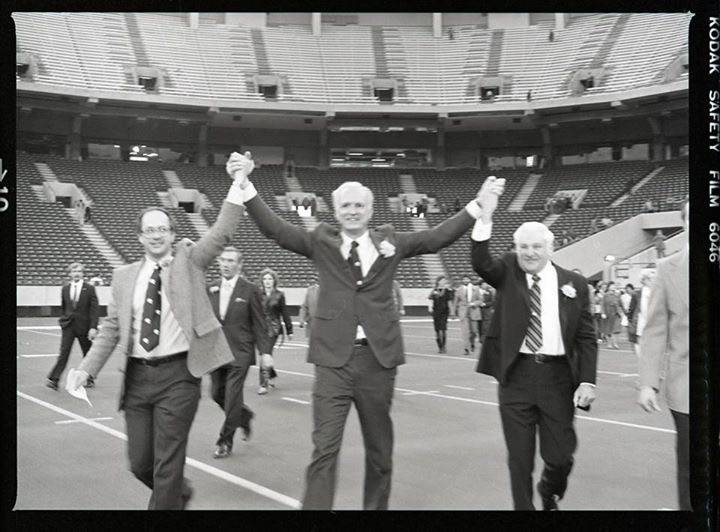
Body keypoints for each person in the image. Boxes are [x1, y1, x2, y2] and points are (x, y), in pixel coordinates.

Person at [226, 153, 487, 510]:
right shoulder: (320, 240)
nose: (352, 210)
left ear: (370, 209)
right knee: (324, 450)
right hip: (333, 363)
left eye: (359, 205)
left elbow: (435, 238)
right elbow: (276, 230)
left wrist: (477, 206)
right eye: (345, 205)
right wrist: (245, 186)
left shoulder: (390, 241)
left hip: (377, 363)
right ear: (335, 211)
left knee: (380, 453)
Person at [66, 151, 255, 510]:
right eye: (150, 230)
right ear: (139, 236)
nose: (157, 235)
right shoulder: (122, 278)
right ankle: (179, 495)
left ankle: (168, 497)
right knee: (141, 463)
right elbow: (110, 329)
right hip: (137, 379)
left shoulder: (189, 260)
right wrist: (85, 369)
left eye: (163, 229)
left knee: (167, 464)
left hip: (179, 376)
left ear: (172, 234)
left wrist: (239, 184)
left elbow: (222, 232)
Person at [471, 176, 597, 511]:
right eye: (523, 247)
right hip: (516, 378)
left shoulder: (575, 284)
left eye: (536, 246)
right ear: (516, 249)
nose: (529, 253)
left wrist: (587, 380)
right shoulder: (508, 272)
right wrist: (486, 216)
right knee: (519, 460)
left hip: (558, 378)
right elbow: (481, 263)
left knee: (560, 455)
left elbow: (586, 336)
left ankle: (549, 487)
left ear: (551, 248)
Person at [637, 199, 689, 511]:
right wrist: (647, 383)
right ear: (684, 224)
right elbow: (655, 330)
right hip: (687, 389)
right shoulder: (667, 270)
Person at [207, 246, 271, 459]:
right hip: (216, 352)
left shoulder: (250, 289)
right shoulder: (211, 288)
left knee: (233, 396)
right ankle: (244, 416)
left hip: (240, 352)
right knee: (217, 394)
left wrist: (265, 352)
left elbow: (260, 323)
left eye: (231, 261)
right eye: (223, 260)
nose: (226, 264)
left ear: (239, 265)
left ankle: (225, 441)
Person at [46, 262, 99, 390]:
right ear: (70, 273)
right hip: (68, 326)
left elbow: (94, 310)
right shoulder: (65, 289)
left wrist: (93, 327)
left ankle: (89, 378)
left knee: (88, 353)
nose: (77, 274)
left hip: (84, 327)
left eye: (79, 271)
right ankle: (54, 379)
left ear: (82, 274)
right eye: (74, 271)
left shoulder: (90, 289)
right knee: (63, 353)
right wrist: (62, 321)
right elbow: (64, 308)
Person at [257, 267, 293, 394]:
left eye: (270, 279)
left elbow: (285, 312)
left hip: (274, 329)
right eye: (265, 279)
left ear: (274, 281)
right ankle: (271, 374)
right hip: (260, 328)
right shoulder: (257, 294)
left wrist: (289, 330)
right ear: (262, 281)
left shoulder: (279, 295)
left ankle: (263, 384)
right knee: (265, 353)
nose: (267, 281)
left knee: (265, 354)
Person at [626, 270, 655, 358]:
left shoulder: (658, 292)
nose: (654, 280)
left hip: (655, 324)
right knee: (641, 347)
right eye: (652, 278)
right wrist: (631, 321)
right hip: (641, 323)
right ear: (645, 280)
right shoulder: (637, 294)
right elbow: (632, 309)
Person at [453, 275, 483, 355]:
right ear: (462, 280)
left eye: (467, 279)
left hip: (473, 311)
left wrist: (474, 303)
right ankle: (466, 348)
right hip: (463, 312)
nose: (465, 280)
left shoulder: (475, 288)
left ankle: (472, 343)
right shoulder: (459, 290)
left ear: (469, 280)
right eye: (464, 279)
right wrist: (453, 312)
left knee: (474, 331)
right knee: (465, 332)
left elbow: (480, 300)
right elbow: (455, 301)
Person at [428, 275, 455, 353]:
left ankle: (443, 346)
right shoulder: (434, 290)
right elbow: (430, 299)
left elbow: (449, 302)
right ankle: (439, 346)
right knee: (437, 330)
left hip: (444, 312)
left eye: (445, 281)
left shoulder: (447, 291)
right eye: (442, 280)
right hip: (436, 312)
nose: (444, 282)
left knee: (443, 329)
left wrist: (452, 312)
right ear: (438, 281)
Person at [601, 282, 622, 349]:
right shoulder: (605, 295)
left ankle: (615, 343)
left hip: (616, 314)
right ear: (609, 287)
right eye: (612, 286)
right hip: (608, 314)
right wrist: (603, 313)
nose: (613, 287)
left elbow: (621, 304)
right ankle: (609, 344)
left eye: (614, 286)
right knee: (608, 330)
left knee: (616, 329)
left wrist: (624, 312)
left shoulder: (617, 295)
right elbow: (603, 305)